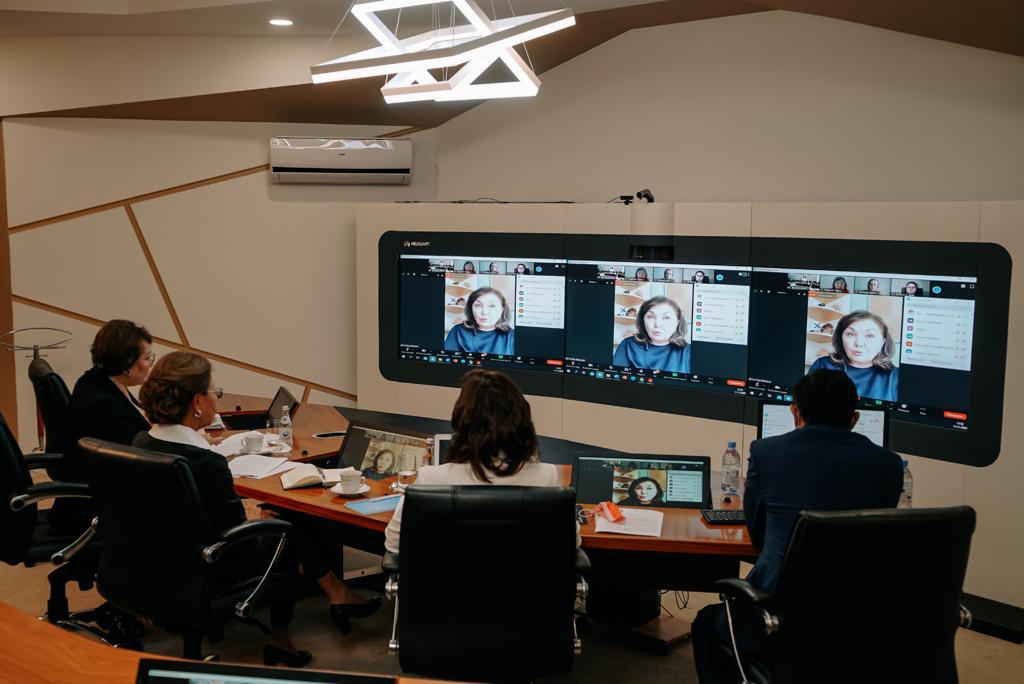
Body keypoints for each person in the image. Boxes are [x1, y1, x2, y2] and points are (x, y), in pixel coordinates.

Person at [136, 352, 377, 647]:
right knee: (287, 525)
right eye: (214, 393)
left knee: (281, 518)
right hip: (213, 562)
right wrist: (254, 515)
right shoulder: (206, 462)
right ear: (197, 402)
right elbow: (233, 528)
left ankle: (337, 593)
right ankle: (282, 640)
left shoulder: (142, 442)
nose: (216, 400)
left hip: (160, 557)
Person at [691, 370, 903, 684]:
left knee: (707, 623)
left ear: (795, 412)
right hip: (859, 618)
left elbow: (758, 532)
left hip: (780, 617)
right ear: (855, 418)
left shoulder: (767, 452)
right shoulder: (890, 464)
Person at [385, 369, 580, 552]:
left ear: (461, 423)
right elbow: (572, 542)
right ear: (523, 423)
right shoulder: (546, 477)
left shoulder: (430, 479)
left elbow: (394, 543)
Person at [807, 310, 898, 402]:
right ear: (841, 338)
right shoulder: (823, 365)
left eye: (869, 336)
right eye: (850, 334)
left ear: (882, 342)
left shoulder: (895, 376)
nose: (858, 343)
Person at [612, 296, 691, 373]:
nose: (657, 324)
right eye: (650, 317)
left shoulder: (688, 351)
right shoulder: (628, 344)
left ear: (677, 323)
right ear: (643, 320)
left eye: (666, 318)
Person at [442, 287, 515, 355]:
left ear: (501, 310)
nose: (484, 312)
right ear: (471, 309)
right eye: (478, 305)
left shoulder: (512, 336)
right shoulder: (458, 331)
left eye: (492, 306)